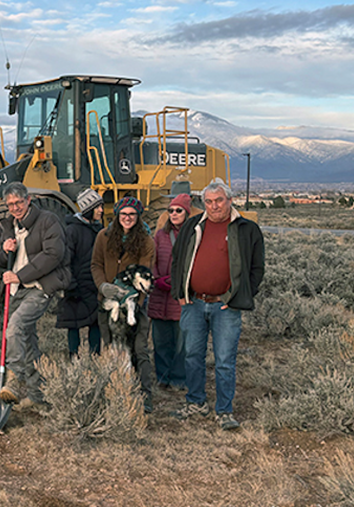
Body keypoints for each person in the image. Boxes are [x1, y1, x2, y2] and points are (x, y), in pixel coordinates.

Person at [170, 178, 264, 431]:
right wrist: (180, 291)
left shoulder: (246, 229)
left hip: (226, 307)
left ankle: (224, 410)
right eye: (209, 202)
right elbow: (177, 260)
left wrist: (239, 296)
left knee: (224, 359)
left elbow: (257, 269)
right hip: (194, 303)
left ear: (230, 200)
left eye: (219, 201)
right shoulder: (192, 226)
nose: (214, 207)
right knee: (192, 356)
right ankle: (196, 402)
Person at [0, 183, 70, 408]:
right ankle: (38, 395)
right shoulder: (10, 224)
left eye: (19, 202)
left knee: (15, 329)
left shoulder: (48, 221)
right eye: (10, 204)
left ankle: (15, 378)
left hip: (39, 287)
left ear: (28, 200)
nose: (15, 208)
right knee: (27, 342)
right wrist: (5, 249)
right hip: (17, 290)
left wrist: (20, 275)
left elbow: (53, 254)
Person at [91, 196, 158, 412]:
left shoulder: (146, 241)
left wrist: (133, 299)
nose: (127, 218)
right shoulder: (104, 236)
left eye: (131, 214)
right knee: (110, 347)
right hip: (108, 303)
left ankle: (144, 395)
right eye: (123, 214)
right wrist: (103, 287)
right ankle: (110, 390)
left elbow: (145, 273)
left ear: (138, 217)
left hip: (133, 304)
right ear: (117, 215)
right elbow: (96, 264)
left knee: (139, 348)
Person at [151, 193, 192, 390]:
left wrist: (176, 282)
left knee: (181, 342)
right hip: (159, 295)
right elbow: (152, 260)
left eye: (178, 210)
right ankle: (162, 376)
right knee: (160, 341)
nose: (174, 214)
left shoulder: (193, 234)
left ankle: (178, 378)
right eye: (171, 210)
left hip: (181, 296)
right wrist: (157, 278)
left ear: (187, 213)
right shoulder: (160, 235)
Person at [58, 189, 103, 356]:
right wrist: (70, 286)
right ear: (88, 209)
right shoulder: (72, 231)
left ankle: (96, 358)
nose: (101, 211)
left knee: (96, 323)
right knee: (73, 323)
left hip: (95, 285)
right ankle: (73, 360)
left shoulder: (100, 229)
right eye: (97, 207)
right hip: (76, 286)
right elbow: (65, 260)